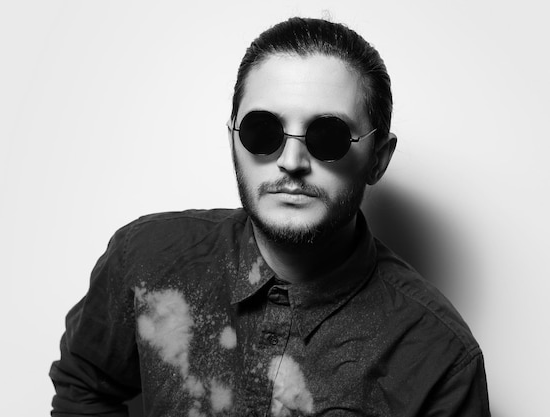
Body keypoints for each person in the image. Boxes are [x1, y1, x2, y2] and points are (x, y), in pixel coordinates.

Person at [50, 17, 490, 417]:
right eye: (264, 131)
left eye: (328, 135)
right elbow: (84, 387)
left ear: (377, 159)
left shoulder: (439, 355)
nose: (292, 161)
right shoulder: (146, 260)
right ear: (233, 141)